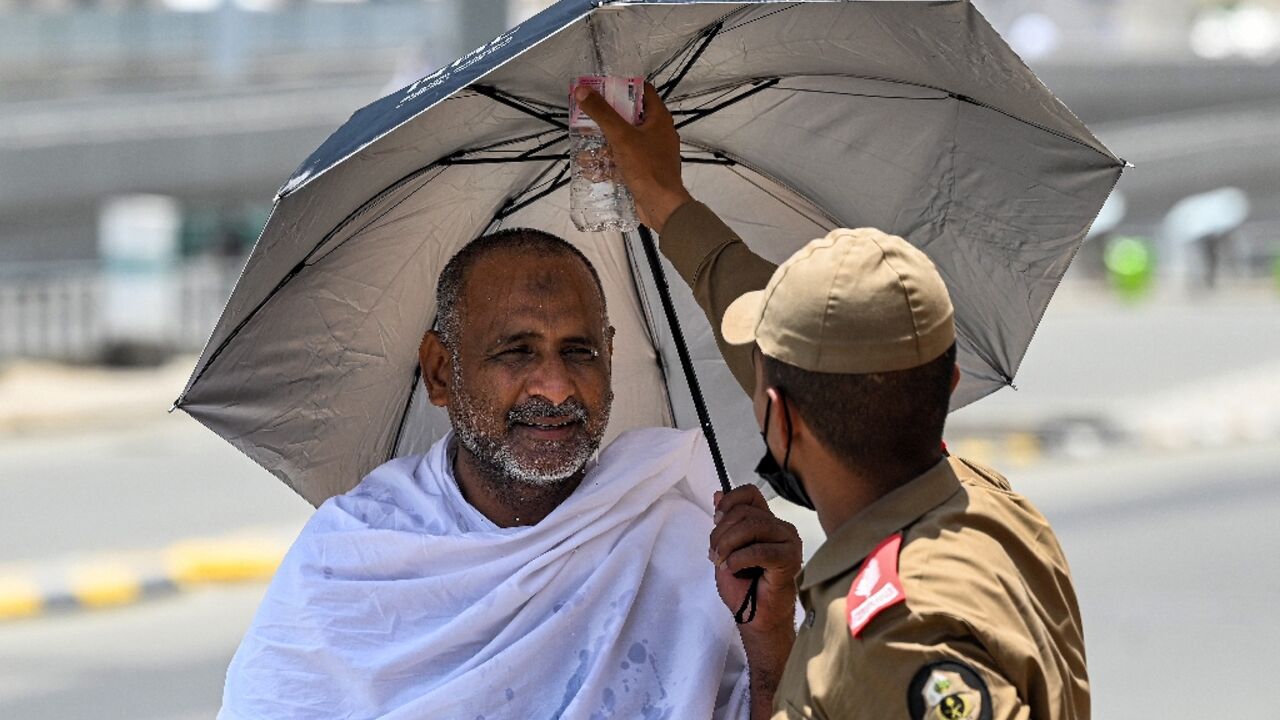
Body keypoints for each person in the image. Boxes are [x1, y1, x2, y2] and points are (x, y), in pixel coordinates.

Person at [577, 83, 1089, 719]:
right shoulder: (987, 504)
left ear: (782, 417)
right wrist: (666, 203)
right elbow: (820, 355)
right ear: (948, 384)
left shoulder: (899, 636)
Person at [218, 229, 750, 719]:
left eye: (579, 352)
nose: (557, 387)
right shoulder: (353, 557)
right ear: (441, 371)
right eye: (517, 352)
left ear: (609, 358)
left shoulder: (685, 546)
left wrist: (768, 640)